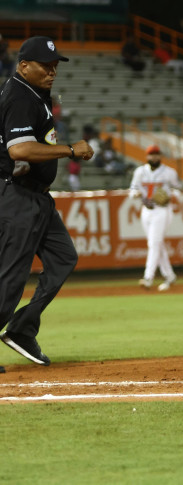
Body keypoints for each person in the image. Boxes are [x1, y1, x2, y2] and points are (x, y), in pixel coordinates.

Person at [0, 36, 95, 372]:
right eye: (45, 65)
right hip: (18, 195)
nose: (52, 71)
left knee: (63, 257)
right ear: (24, 65)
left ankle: (23, 329)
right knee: (11, 279)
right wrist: (70, 150)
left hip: (37, 196)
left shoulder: (35, 94)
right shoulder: (19, 96)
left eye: (55, 65)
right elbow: (19, 150)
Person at [129, 145, 182, 292]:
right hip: (146, 210)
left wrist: (169, 196)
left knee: (154, 243)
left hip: (162, 211)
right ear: (147, 157)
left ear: (160, 156)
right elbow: (132, 190)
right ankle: (169, 276)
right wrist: (136, 194)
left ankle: (148, 278)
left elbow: (179, 190)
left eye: (156, 155)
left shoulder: (169, 172)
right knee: (157, 244)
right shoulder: (140, 172)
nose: (154, 157)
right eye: (151, 155)